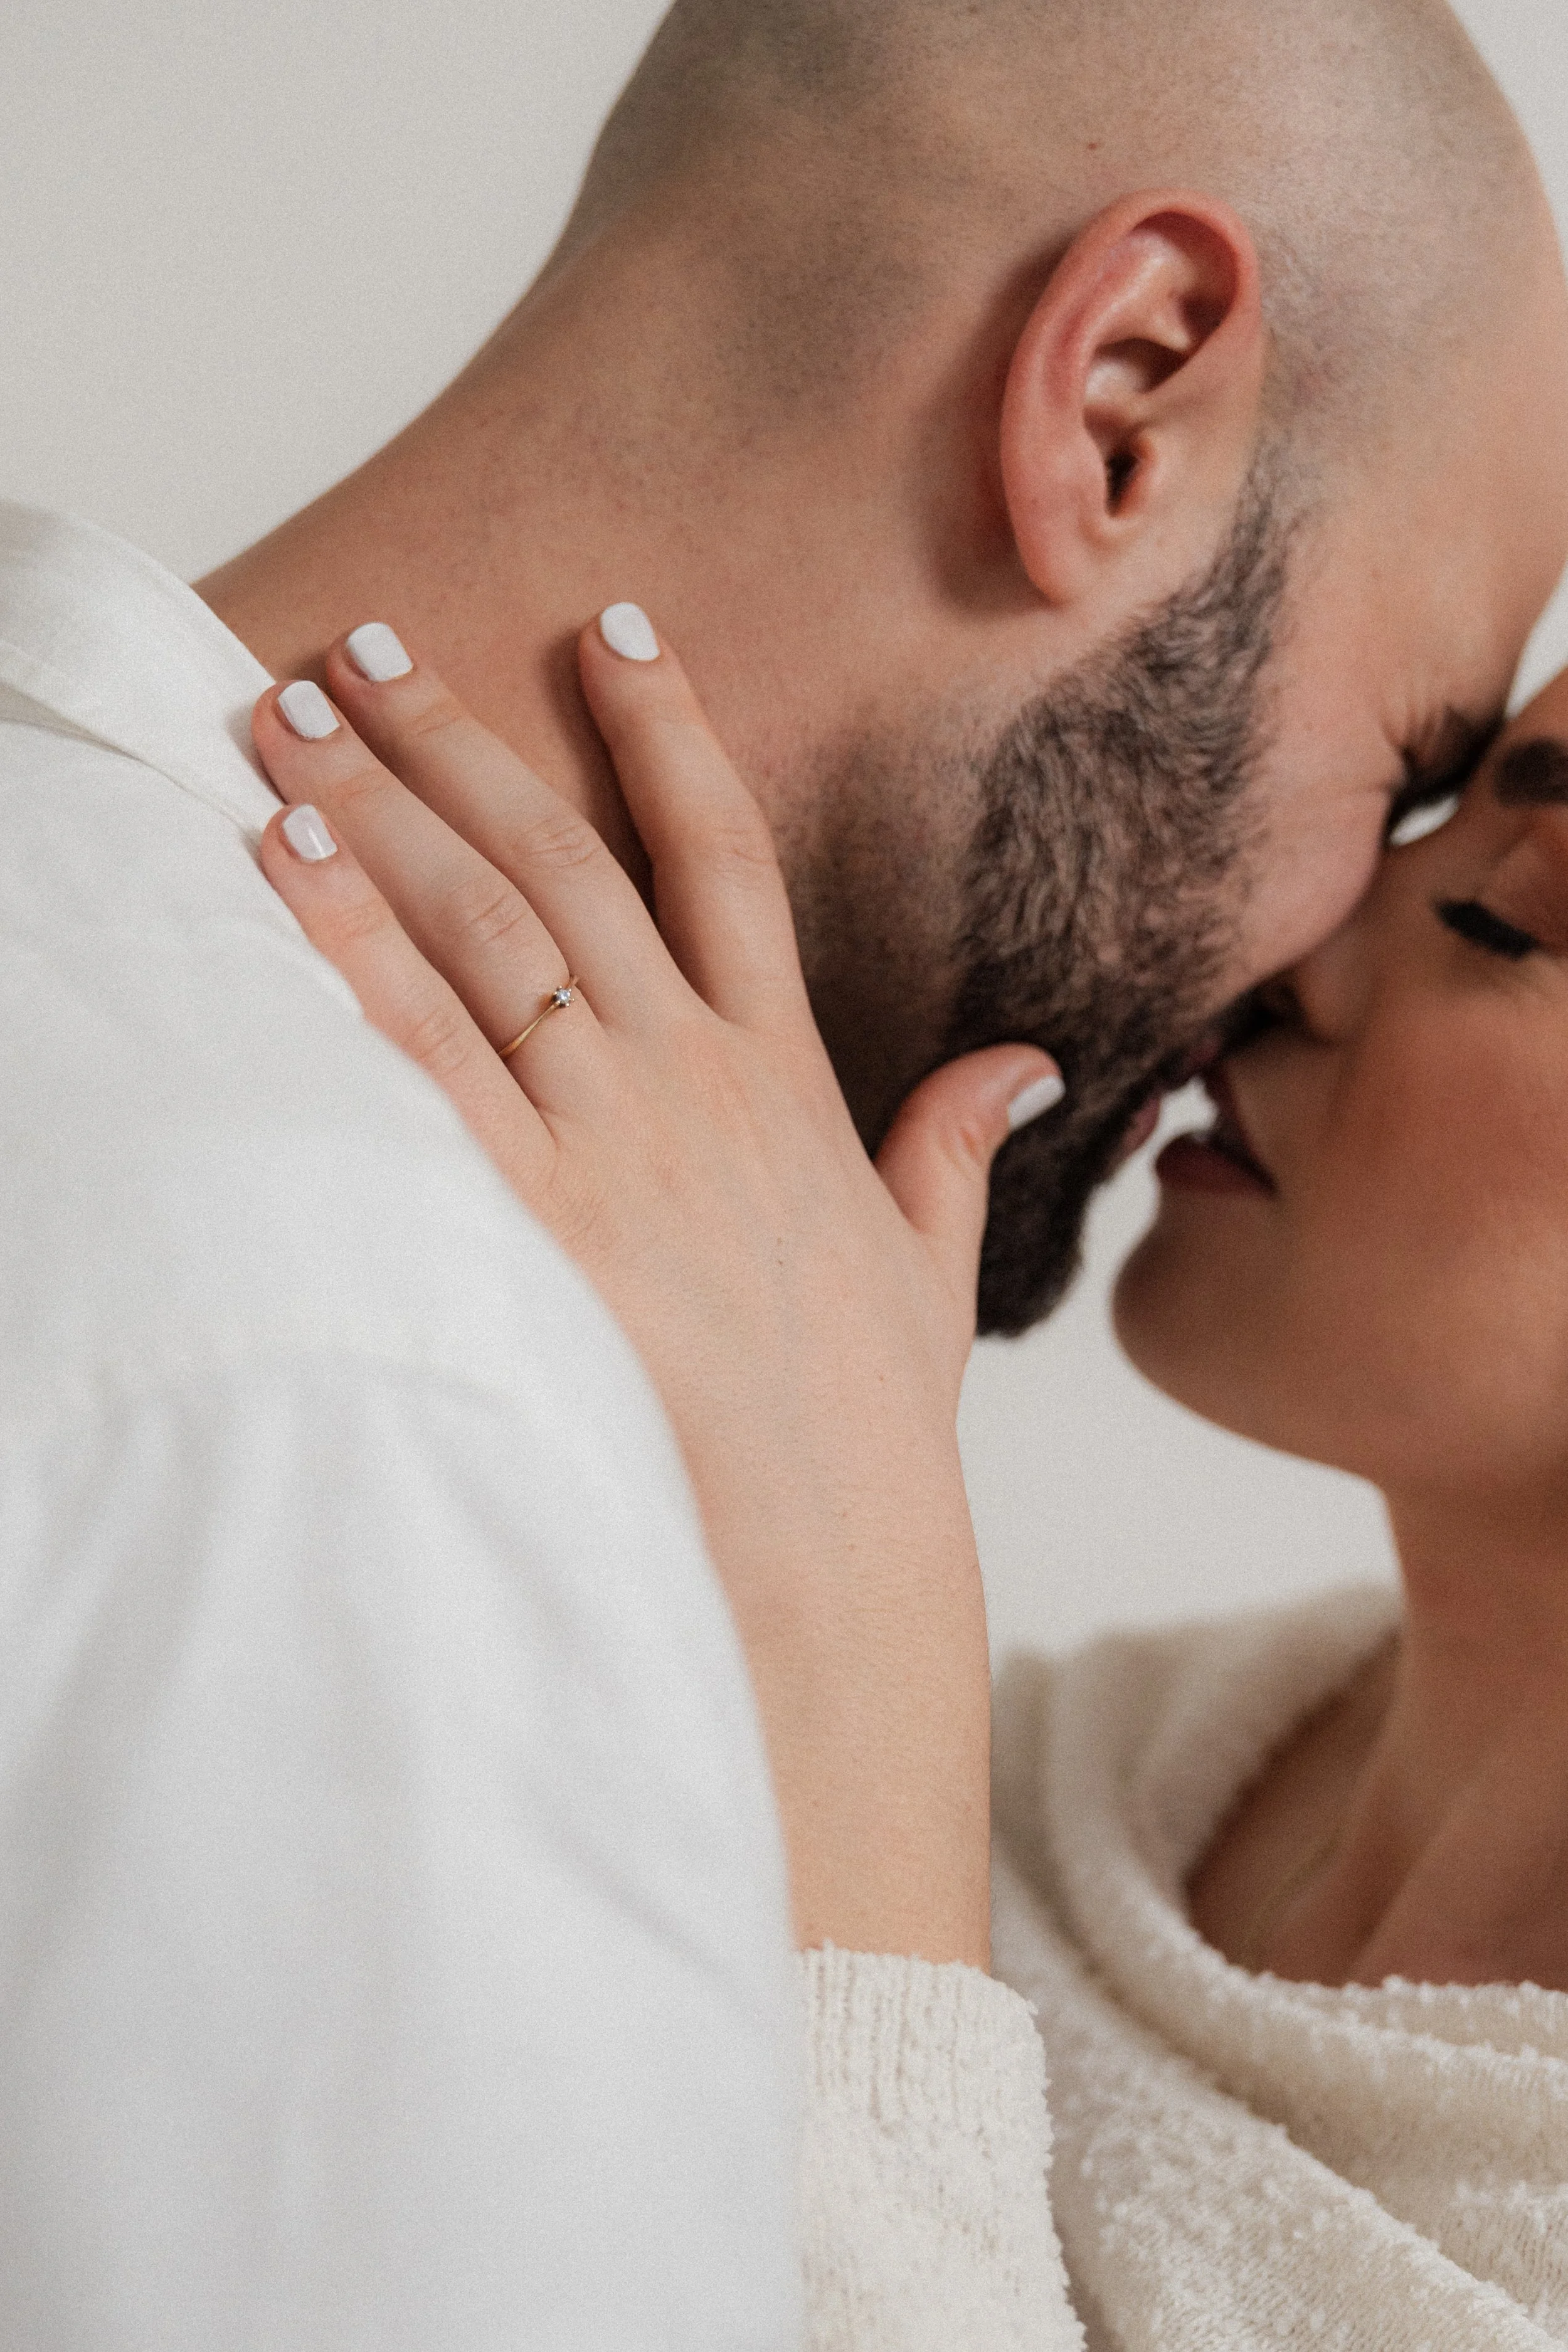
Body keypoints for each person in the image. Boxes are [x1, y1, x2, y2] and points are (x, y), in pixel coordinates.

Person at [2, 0, 1565, 2339]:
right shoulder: (366, 1411)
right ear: (1116, 401)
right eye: (1410, 762)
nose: (1310, 948)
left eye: (1499, 891)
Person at [249, 616, 1568, 2349]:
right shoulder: (1098, 1775)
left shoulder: (895, 1731)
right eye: (1420, 825)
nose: (1295, 959)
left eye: (1512, 914)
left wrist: (850, 1678)